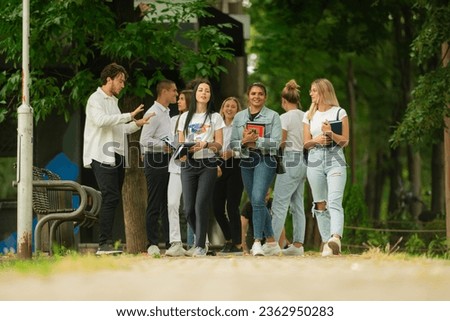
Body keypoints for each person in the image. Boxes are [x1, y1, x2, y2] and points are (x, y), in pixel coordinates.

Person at [83, 63, 153, 255]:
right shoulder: (95, 99)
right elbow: (101, 121)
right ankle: (103, 244)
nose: (123, 85)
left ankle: (106, 244)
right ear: (109, 79)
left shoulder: (113, 102)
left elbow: (119, 128)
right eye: (120, 81)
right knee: (110, 196)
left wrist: (137, 123)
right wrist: (129, 115)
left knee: (112, 199)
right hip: (101, 154)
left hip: (117, 155)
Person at [230, 82, 282, 256]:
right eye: (253, 93)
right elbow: (233, 144)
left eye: (260, 94)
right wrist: (244, 143)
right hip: (246, 160)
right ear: (248, 96)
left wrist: (256, 141)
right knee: (256, 201)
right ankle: (272, 241)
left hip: (266, 159)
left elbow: (276, 142)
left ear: (265, 97)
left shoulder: (274, 116)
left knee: (259, 197)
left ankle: (257, 242)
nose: (256, 97)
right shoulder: (239, 117)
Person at [302, 78, 349, 256]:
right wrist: (316, 140)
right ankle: (326, 243)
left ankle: (335, 237)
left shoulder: (339, 112)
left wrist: (330, 133)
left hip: (335, 157)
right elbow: (305, 143)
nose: (311, 94)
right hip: (314, 159)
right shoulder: (308, 116)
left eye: (314, 90)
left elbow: (345, 141)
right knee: (320, 203)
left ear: (323, 92)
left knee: (334, 200)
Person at [178, 79, 224, 257]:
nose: (204, 93)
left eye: (207, 91)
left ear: (210, 95)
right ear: (195, 94)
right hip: (189, 164)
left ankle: (199, 246)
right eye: (201, 90)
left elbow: (219, 145)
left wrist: (206, 145)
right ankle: (201, 239)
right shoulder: (184, 118)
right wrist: (184, 150)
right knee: (188, 209)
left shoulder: (215, 117)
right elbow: (181, 143)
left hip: (208, 164)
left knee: (200, 204)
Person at [139, 79, 178, 256]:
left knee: (166, 202)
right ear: (164, 92)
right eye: (174, 91)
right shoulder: (153, 112)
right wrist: (163, 146)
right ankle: (152, 244)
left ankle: (171, 243)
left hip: (166, 159)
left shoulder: (166, 113)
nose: (176, 94)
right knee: (155, 202)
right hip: (154, 160)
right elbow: (143, 140)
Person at [271, 79, 307, 256]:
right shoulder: (306, 116)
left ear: (284, 101)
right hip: (304, 160)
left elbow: (281, 142)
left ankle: (271, 244)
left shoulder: (284, 117)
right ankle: (298, 245)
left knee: (279, 203)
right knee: (297, 203)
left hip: (290, 159)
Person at [213, 97, 244, 254]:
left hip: (236, 166)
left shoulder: (240, 126)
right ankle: (229, 238)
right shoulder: (216, 126)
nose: (230, 109)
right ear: (223, 108)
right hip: (219, 165)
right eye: (227, 106)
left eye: (233, 106)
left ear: (238, 110)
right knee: (217, 207)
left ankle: (237, 244)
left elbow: (247, 148)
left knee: (232, 206)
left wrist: (233, 152)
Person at [165, 89, 191, 256]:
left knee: (193, 206)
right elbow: (170, 141)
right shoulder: (174, 119)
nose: (178, 101)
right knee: (172, 203)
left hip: (193, 167)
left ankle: (202, 242)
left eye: (181, 99)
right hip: (175, 167)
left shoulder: (199, 119)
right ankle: (176, 243)